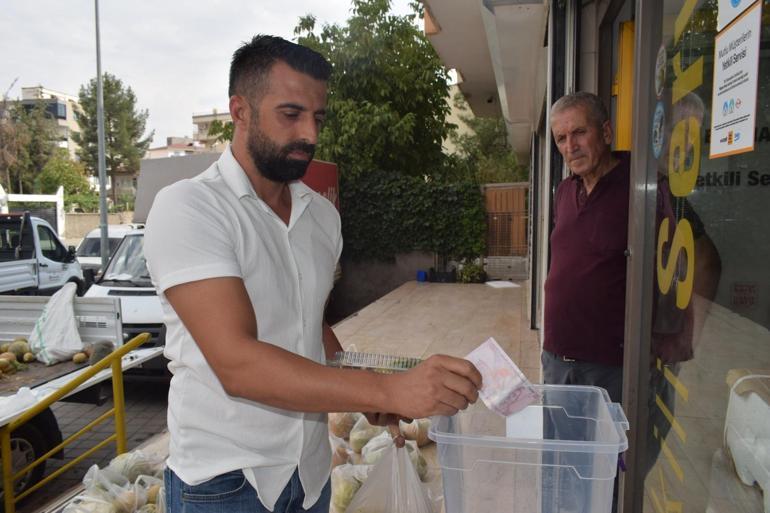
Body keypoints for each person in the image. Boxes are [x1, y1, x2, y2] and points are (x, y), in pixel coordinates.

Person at [144, 35, 481, 513]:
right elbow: (236, 362)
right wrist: (387, 388)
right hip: (224, 483)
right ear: (240, 111)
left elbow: (308, 322)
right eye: (291, 114)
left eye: (317, 117)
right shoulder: (190, 209)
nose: (310, 133)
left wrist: (364, 387)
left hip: (309, 473)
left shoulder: (321, 217)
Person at [542, 91, 629, 403]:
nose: (570, 147)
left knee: (608, 452)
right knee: (557, 450)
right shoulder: (565, 190)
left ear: (605, 132)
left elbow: (699, 256)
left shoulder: (641, 187)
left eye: (579, 132)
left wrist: (676, 338)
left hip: (608, 367)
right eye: (561, 138)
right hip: (556, 358)